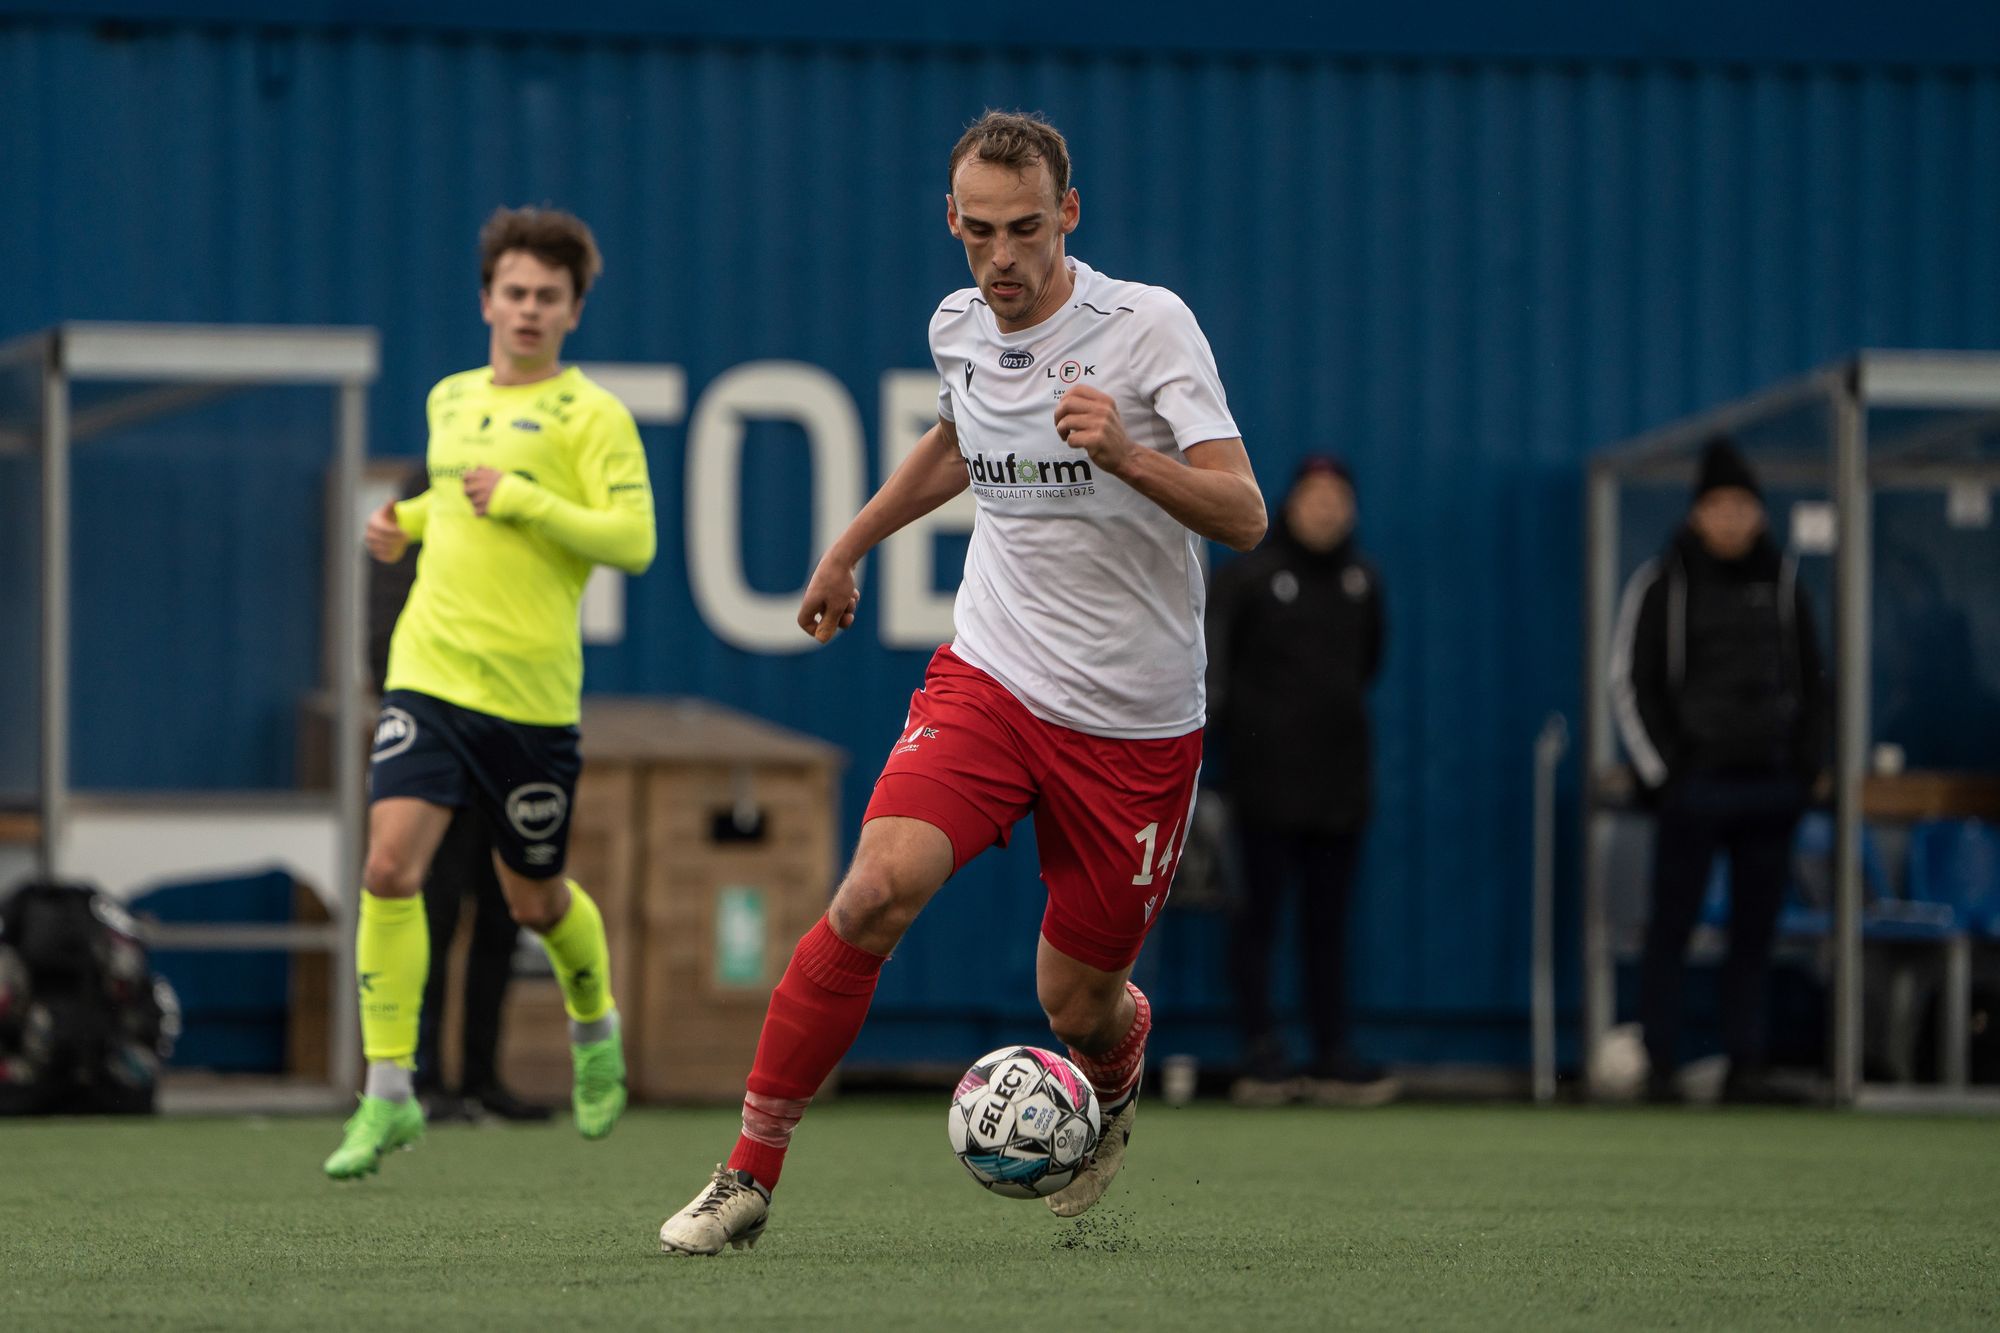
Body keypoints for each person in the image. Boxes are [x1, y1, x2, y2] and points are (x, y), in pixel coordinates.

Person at [657, 110, 1266, 1254]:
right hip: (990, 672)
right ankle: (746, 1173)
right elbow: (957, 438)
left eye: (1026, 229)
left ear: (1068, 216)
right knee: (873, 889)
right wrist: (849, 544)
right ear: (951, 222)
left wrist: (1127, 453)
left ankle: (1115, 1068)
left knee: (1075, 1000)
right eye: (979, 231)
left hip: (1134, 723)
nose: (1002, 258)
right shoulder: (957, 326)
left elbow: (1244, 512)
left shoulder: (1148, 329)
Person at [323, 206, 656, 1178]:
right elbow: (453, 500)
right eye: (512, 292)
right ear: (486, 300)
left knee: (537, 898)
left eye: (547, 297)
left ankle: (595, 1026)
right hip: (428, 673)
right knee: (389, 868)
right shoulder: (449, 398)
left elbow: (630, 540)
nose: (526, 310)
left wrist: (521, 500)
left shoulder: (591, 417)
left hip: (530, 699)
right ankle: (389, 1095)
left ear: (572, 312)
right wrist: (408, 522)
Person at [1611, 435, 1828, 1104]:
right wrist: (1664, 773)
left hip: (1769, 786)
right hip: (1694, 786)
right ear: (1697, 513)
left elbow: (1818, 683)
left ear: (1759, 514)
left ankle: (1746, 1063)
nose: (1731, 518)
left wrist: (1805, 769)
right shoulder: (1662, 581)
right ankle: (1661, 1062)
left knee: (1755, 933)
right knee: (1672, 924)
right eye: (1719, 505)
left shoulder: (1787, 581)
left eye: (1743, 505)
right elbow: (1631, 681)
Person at [1206, 455, 1396, 1108]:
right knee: (1256, 920)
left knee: (1330, 924)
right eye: (1315, 497)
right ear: (1290, 504)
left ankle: (1332, 1053)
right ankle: (1262, 1051)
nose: (1327, 509)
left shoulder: (1363, 582)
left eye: (1339, 498)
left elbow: (1368, 664)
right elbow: (1216, 678)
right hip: (1262, 788)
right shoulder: (1250, 578)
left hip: (1340, 788)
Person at [367, 465, 552, 1125]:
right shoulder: (422, 498)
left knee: (502, 915)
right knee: (435, 914)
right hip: (442, 747)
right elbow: (382, 637)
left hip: (512, 741)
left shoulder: (519, 493)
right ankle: (426, 1079)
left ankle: (481, 1078)